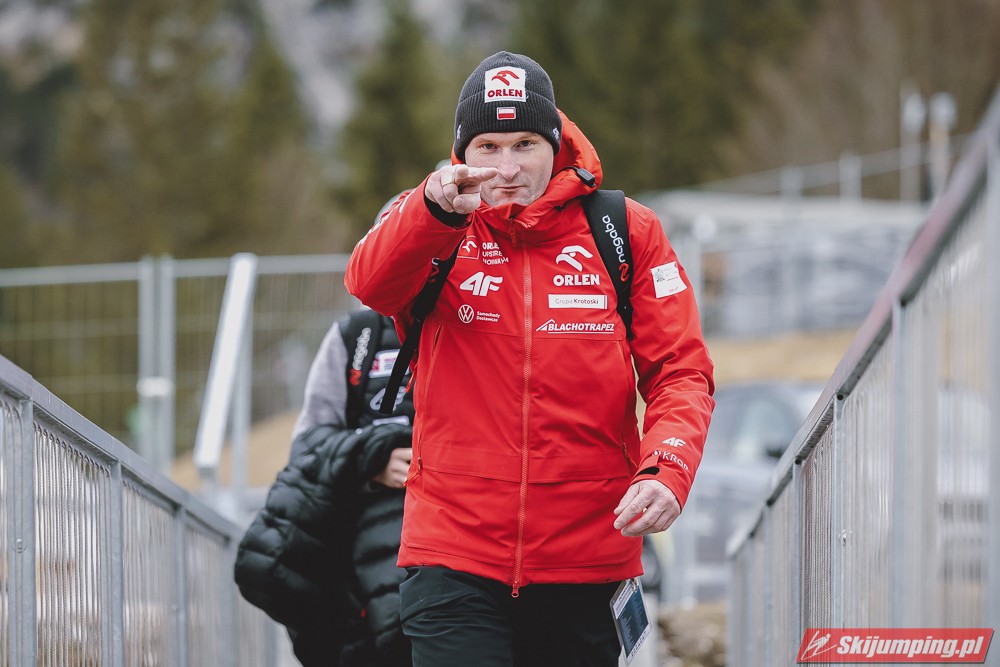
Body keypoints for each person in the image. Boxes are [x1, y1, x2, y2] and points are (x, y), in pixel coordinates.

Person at [344, 51, 715, 666]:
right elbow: (370, 284)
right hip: (452, 554)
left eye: (525, 144)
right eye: (488, 147)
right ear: (462, 153)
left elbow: (681, 371)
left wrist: (667, 469)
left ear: (556, 144)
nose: (507, 168)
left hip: (588, 557)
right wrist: (431, 212)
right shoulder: (430, 223)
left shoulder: (626, 230)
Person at [234, 307, 414, 667]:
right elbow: (309, 446)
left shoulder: (483, 319)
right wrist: (372, 461)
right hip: (360, 570)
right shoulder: (358, 334)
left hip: (460, 544)